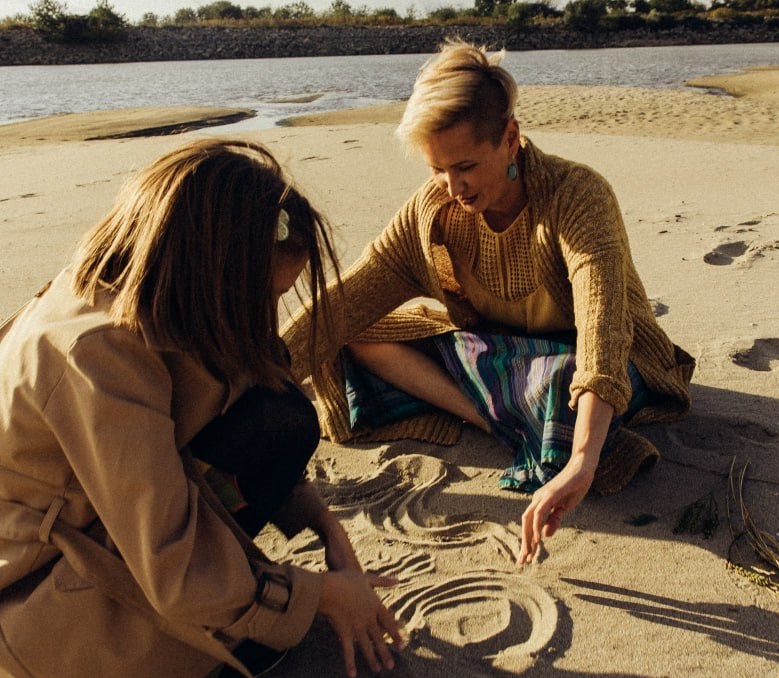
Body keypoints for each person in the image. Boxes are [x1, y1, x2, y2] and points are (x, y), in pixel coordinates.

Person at [0, 138, 403, 678]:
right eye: (262, 296)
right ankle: (203, 639)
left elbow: (221, 406)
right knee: (275, 422)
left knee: (279, 409)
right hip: (46, 639)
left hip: (90, 551)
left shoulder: (137, 291)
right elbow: (173, 563)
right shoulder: (95, 356)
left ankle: (235, 606)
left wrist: (325, 523)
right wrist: (317, 598)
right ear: (209, 269)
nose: (267, 313)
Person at [282, 41, 695, 565]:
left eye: (465, 166)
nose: (451, 186)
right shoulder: (432, 214)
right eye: (437, 170)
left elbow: (603, 325)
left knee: (562, 383)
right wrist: (247, 382)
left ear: (510, 138)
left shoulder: (576, 195)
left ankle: (540, 422)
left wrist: (585, 462)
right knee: (359, 334)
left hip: (602, 360)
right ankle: (499, 419)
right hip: (501, 355)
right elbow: (341, 304)